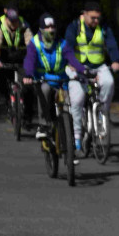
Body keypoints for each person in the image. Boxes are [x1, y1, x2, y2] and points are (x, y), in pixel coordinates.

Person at [22, 14, 86, 147]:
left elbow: (72, 59)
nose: (51, 30)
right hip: (43, 80)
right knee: (44, 90)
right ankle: (43, 126)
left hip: (61, 81)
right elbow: (29, 60)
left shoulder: (63, 43)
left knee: (68, 105)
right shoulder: (34, 43)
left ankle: (69, 139)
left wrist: (82, 70)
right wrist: (28, 74)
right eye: (47, 27)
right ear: (41, 29)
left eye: (53, 27)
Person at [63, 2, 119, 120]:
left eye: (98, 18)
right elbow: (68, 46)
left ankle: (102, 114)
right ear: (84, 14)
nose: (96, 21)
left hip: (99, 67)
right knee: (78, 97)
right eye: (92, 18)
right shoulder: (74, 26)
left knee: (109, 82)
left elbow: (112, 44)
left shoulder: (104, 28)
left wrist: (115, 61)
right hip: (79, 67)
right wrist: (72, 63)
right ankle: (79, 119)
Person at [0, 1, 33, 119]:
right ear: (6, 18)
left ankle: (28, 115)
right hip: (5, 57)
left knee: (28, 85)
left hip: (21, 57)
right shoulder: (1, 25)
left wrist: (32, 61)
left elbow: (31, 44)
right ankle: (3, 95)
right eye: (11, 21)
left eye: (16, 21)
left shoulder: (24, 25)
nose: (14, 24)